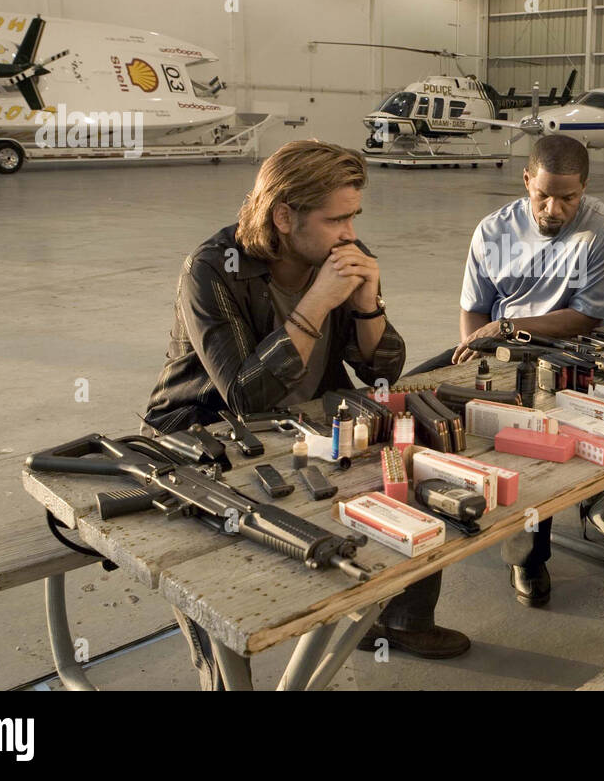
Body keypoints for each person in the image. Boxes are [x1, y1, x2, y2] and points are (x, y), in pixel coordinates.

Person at [144, 139, 470, 685]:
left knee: (412, 472)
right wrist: (317, 300)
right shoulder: (212, 270)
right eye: (335, 218)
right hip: (206, 435)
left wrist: (369, 304)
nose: (349, 231)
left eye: (353, 216)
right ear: (284, 216)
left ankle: (400, 621)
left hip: (308, 423)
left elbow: (381, 371)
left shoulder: (340, 255)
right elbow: (246, 395)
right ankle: (222, 679)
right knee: (222, 566)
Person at [438, 134, 604, 607]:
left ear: (584, 189)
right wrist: (477, 354)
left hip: (568, 348)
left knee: (537, 436)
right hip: (496, 344)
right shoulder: (494, 232)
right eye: (542, 194)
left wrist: (507, 327)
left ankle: (528, 555)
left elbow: (588, 316)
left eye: (568, 198)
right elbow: (474, 311)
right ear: (526, 180)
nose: (553, 208)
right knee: (424, 401)